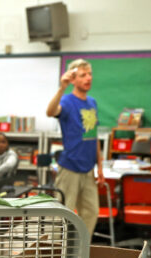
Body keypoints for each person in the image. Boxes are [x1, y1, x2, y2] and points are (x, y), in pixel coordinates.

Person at [45, 58, 105, 235]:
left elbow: (93, 136)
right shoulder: (67, 101)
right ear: (73, 79)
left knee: (91, 212)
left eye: (90, 74)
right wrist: (62, 88)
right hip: (70, 167)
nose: (88, 78)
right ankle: (56, 250)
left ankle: (79, 248)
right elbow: (50, 112)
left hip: (88, 169)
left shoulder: (92, 103)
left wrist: (100, 167)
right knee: (62, 216)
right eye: (83, 75)